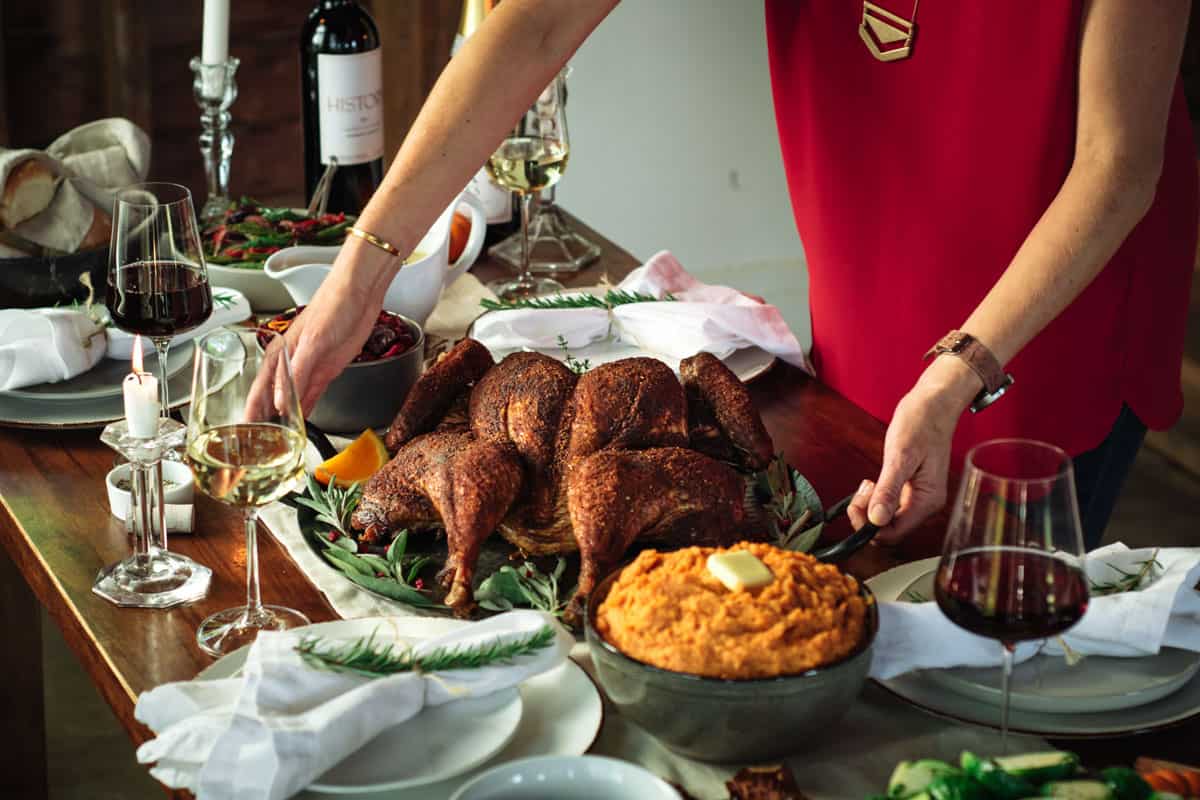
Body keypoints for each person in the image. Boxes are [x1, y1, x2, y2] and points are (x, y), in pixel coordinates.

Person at [277, 0, 1197, 549]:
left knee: (998, 673)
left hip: (1042, 326)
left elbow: (1118, 165)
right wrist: (361, 277)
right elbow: (537, 21)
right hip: (869, 303)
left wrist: (959, 371)